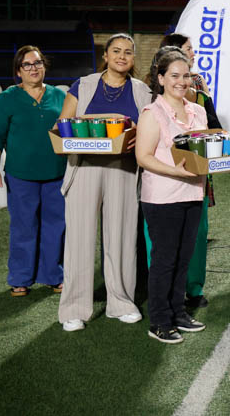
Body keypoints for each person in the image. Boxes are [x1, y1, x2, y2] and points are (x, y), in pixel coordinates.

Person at [58, 33, 152, 332]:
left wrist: (134, 132)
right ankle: (74, 309)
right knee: (79, 240)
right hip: (84, 167)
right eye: (116, 51)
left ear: (133, 58)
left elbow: (148, 131)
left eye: (127, 52)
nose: (122, 56)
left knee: (122, 238)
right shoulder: (83, 85)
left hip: (123, 170)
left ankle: (121, 302)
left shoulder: (141, 91)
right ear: (106, 55)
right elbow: (62, 125)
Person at [140, 33, 218, 309]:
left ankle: (179, 311)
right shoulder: (152, 112)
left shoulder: (198, 110)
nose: (181, 82)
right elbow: (143, 157)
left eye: (185, 76)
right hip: (162, 196)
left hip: (193, 193)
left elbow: (208, 147)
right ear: (160, 78)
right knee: (165, 260)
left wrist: (225, 159)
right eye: (174, 76)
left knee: (185, 256)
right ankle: (161, 319)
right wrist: (178, 172)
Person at [0, 45, 67, 297]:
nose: (34, 68)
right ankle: (21, 277)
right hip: (21, 175)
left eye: (38, 63)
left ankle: (53, 275)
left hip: (57, 173)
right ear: (18, 71)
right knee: (24, 226)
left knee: (56, 226)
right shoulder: (8, 98)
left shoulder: (60, 96)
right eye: (27, 65)